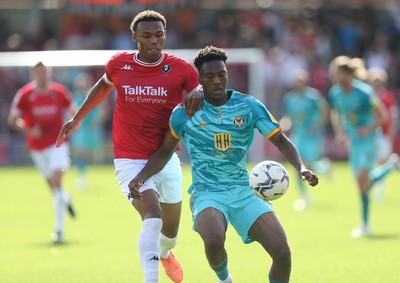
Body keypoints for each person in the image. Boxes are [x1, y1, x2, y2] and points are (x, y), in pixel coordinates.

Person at [128, 46, 319, 283]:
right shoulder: (185, 113)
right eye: (210, 77)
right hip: (207, 193)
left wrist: (300, 168)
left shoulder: (249, 106)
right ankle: (224, 279)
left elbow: (281, 140)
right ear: (199, 79)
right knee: (214, 240)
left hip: (244, 191)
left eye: (222, 74)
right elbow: (165, 151)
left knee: (282, 252)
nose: (217, 81)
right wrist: (141, 176)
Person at [56, 10, 202, 283]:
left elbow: (200, 90)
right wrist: (78, 118)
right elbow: (103, 85)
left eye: (159, 35)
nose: (154, 41)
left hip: (166, 157)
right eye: (146, 36)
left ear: (165, 35)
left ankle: (166, 254)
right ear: (135, 38)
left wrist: (200, 92)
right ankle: (151, 279)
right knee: (152, 215)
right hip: (129, 159)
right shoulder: (118, 64)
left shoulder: (181, 69)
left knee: (170, 236)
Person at [329, 57, 400, 238]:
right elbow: (336, 113)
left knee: (362, 178)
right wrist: (340, 133)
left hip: (370, 140)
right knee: (362, 186)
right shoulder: (335, 93)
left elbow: (383, 116)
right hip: (355, 144)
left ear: (346, 73)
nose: (333, 75)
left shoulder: (365, 92)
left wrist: (366, 129)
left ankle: (365, 225)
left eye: (337, 71)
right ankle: (388, 168)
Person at [8, 61, 77, 244]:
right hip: (37, 147)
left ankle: (59, 231)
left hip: (58, 144)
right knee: (54, 188)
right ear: (33, 75)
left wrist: (72, 123)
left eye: (44, 72)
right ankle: (66, 199)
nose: (42, 75)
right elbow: (13, 119)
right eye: (38, 73)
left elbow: (74, 111)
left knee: (56, 181)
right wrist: (29, 130)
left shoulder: (60, 92)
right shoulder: (25, 94)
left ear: (50, 73)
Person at [281, 68, 330, 211]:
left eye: (300, 81)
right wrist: (283, 124)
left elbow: (325, 110)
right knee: (298, 165)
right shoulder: (289, 98)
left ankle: (322, 167)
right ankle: (305, 197)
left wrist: (319, 125)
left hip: (312, 136)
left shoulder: (313, 96)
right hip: (299, 135)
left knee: (308, 165)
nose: (298, 84)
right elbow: (288, 117)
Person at [367, 67, 399, 201]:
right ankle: (391, 166)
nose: (377, 83)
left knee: (380, 161)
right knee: (373, 162)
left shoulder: (388, 96)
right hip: (370, 133)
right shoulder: (367, 96)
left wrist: (392, 131)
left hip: (384, 133)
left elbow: (393, 116)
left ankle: (379, 190)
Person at [70, 72, 106, 190]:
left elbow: (103, 110)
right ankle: (81, 177)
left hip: (92, 129)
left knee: (94, 156)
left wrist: (97, 122)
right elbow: (71, 111)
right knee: (81, 153)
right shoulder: (76, 96)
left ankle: (88, 176)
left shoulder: (94, 94)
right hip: (81, 129)